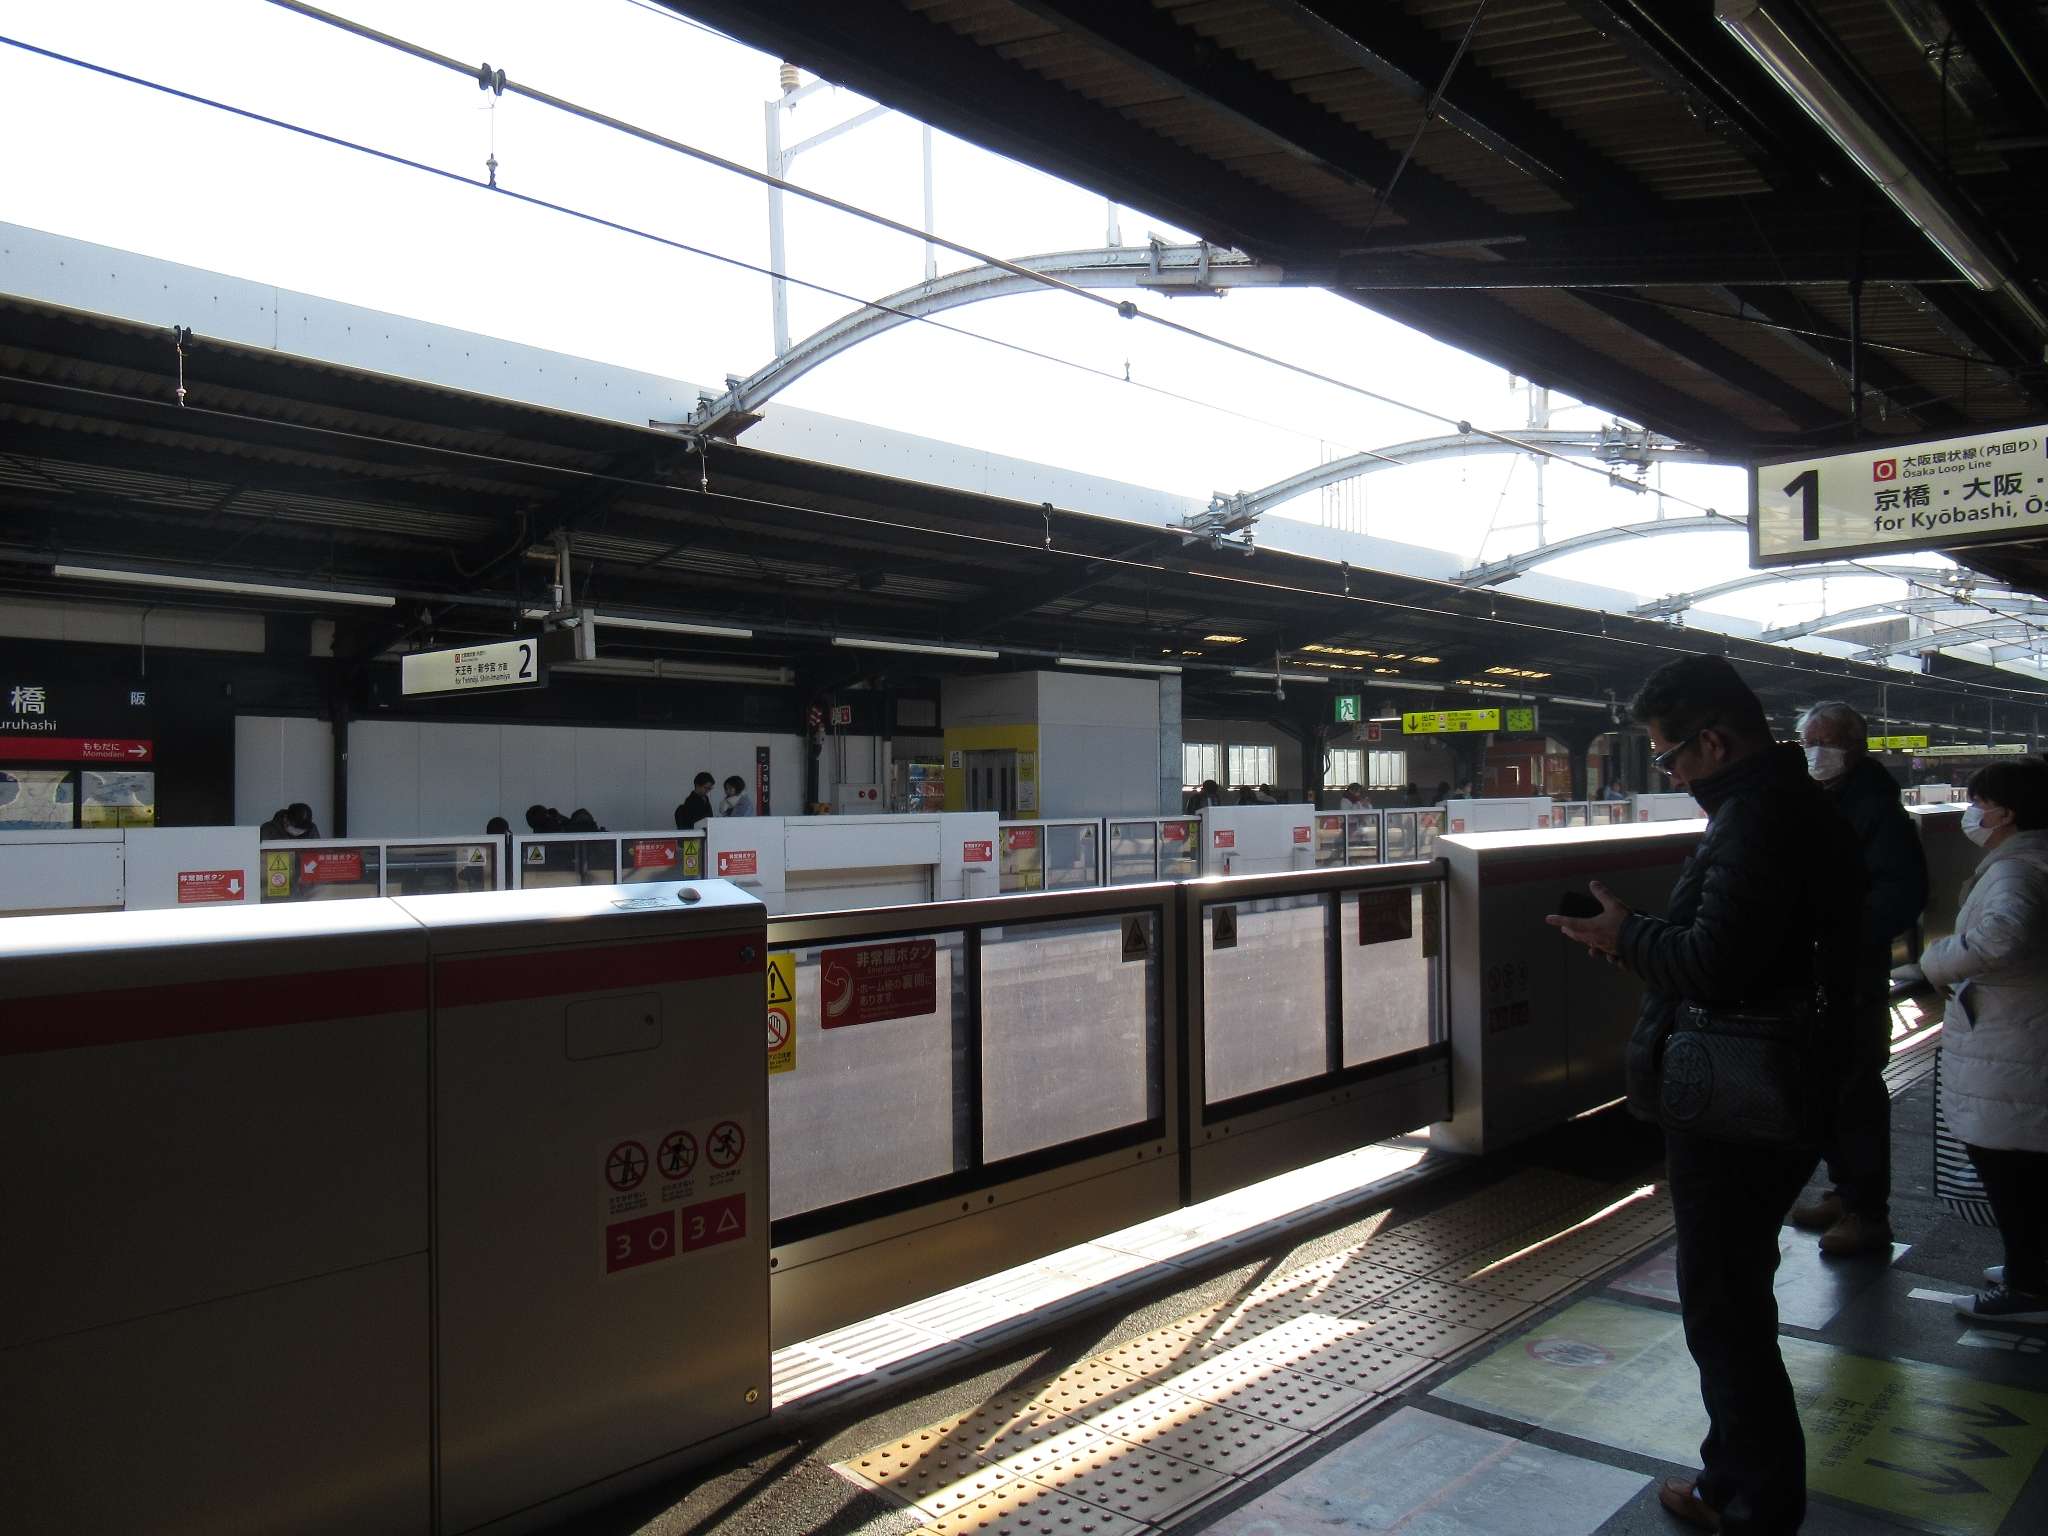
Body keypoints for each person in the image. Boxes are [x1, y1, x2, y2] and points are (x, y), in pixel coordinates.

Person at [1546, 654, 1860, 1535]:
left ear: (1714, 739)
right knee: (1734, 1295)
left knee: (1724, 1307)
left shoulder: (1757, 819)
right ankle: (1736, 1479)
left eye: (1671, 757)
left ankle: (1754, 1501)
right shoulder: (1796, 808)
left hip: (1741, 1100)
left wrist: (1625, 937)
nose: (1673, 775)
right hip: (1789, 1081)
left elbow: (1716, 964)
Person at [1789, 702, 1928, 1256]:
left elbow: (1901, 895)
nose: (1816, 751)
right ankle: (1845, 1192)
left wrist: (1838, 935)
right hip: (1819, 974)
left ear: (1856, 745)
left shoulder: (1876, 809)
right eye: (1809, 741)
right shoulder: (1822, 801)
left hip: (1851, 975)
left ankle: (1869, 1212)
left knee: (1855, 1091)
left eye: (1828, 740)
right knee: (1826, 1088)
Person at [1918, 758, 2048, 1326]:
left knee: (2011, 1169)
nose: (1972, 811)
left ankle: (2031, 1288)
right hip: (2023, 1034)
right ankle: (2032, 1267)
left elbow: (2004, 936)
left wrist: (1936, 959)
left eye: (1978, 800)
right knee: (2024, 1169)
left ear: (2006, 811)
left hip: (2013, 1041)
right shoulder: (2032, 858)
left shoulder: (2018, 868)